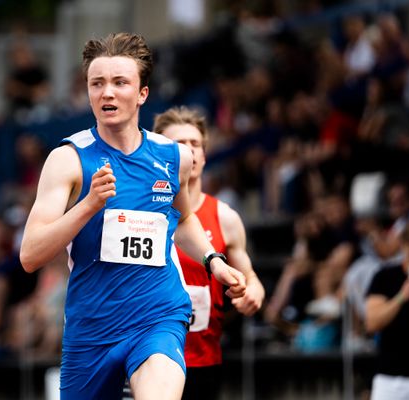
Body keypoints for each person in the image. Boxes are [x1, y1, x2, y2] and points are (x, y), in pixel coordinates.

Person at [19, 32, 247, 400]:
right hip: (92, 328)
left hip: (157, 316)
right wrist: (88, 205)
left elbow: (184, 219)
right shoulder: (68, 160)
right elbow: (30, 255)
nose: (107, 93)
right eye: (97, 84)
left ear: (142, 94)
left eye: (120, 83)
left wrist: (213, 261)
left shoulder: (175, 158)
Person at [153, 106, 265, 399]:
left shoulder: (225, 217)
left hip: (203, 360)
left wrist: (252, 291)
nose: (188, 151)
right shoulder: (143, 212)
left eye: (195, 144)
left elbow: (251, 277)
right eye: (178, 144)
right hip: (148, 356)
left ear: (204, 155)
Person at [365, 219, 409, 400]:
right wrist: (402, 297)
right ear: (403, 247)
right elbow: (372, 322)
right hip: (390, 379)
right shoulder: (385, 276)